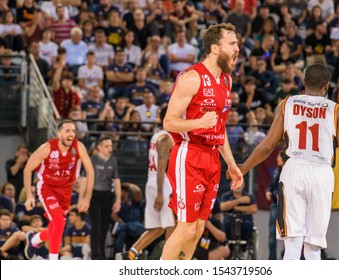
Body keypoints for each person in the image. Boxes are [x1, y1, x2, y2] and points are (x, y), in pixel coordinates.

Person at [232, 63, 339, 260]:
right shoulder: (337, 110)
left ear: (304, 83)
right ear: (327, 87)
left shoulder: (287, 104)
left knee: (292, 242)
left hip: (294, 169)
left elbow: (267, 145)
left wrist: (244, 167)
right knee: (314, 245)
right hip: (322, 172)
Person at [160, 23, 244, 260]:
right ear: (215, 48)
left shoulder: (226, 81)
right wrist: (198, 123)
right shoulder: (191, 77)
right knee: (185, 226)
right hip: (189, 154)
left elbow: (220, 128)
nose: (238, 48)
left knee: (198, 228)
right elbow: (169, 122)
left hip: (212, 158)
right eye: (232, 43)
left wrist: (231, 163)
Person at [23, 119, 95, 260]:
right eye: (67, 130)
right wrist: (29, 196)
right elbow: (27, 169)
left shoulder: (78, 147)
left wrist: (87, 198)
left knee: (57, 226)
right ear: (59, 133)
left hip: (65, 190)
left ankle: (34, 239)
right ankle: (53, 261)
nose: (71, 134)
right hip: (47, 188)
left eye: (73, 131)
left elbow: (90, 172)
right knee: (59, 221)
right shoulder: (47, 148)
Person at [116, 106, 175, 260]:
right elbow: (162, 166)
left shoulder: (157, 135)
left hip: (152, 181)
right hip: (160, 183)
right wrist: (161, 193)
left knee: (157, 228)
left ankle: (129, 254)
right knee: (171, 226)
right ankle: (168, 262)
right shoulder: (166, 138)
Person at [86, 136, 121, 260]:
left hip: (107, 194)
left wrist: (118, 200)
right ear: (99, 148)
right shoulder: (93, 159)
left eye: (111, 146)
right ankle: (96, 255)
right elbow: (86, 179)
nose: (110, 149)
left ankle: (102, 253)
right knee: (96, 226)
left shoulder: (113, 161)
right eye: (106, 146)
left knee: (105, 226)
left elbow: (116, 181)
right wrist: (84, 198)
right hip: (94, 194)